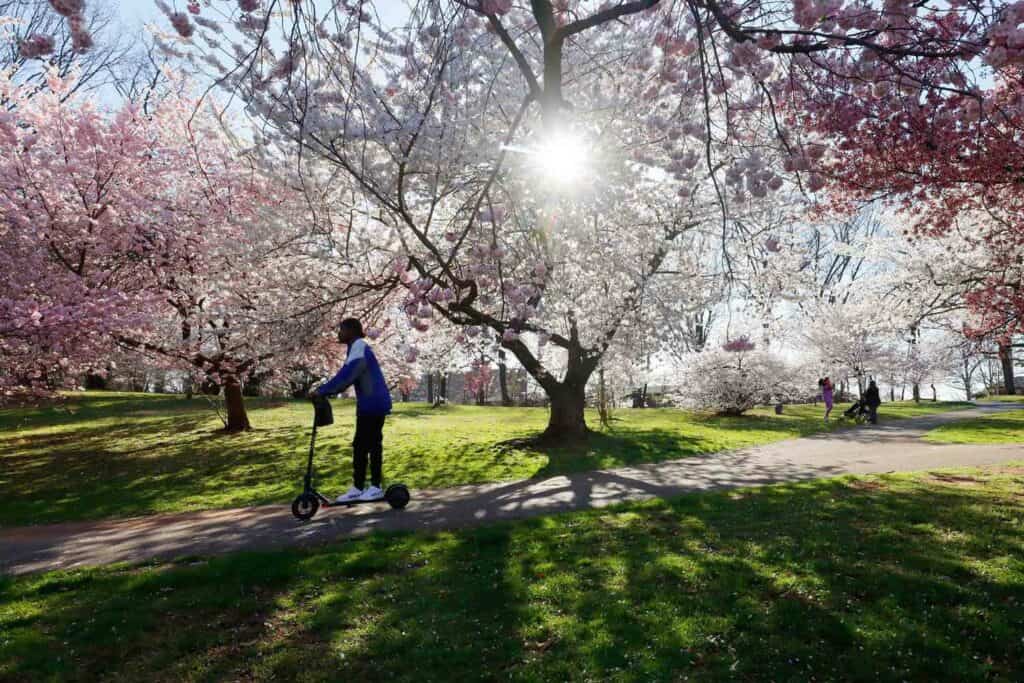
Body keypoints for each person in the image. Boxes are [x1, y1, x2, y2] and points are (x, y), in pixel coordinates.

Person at [310, 318, 392, 502]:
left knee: (370, 444)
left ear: (351, 331)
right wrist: (325, 389)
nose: (339, 333)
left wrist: (323, 390)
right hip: (369, 404)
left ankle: (375, 487)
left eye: (341, 330)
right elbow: (345, 374)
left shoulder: (359, 346)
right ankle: (359, 487)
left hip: (373, 404)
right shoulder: (356, 347)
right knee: (361, 446)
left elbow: (348, 374)